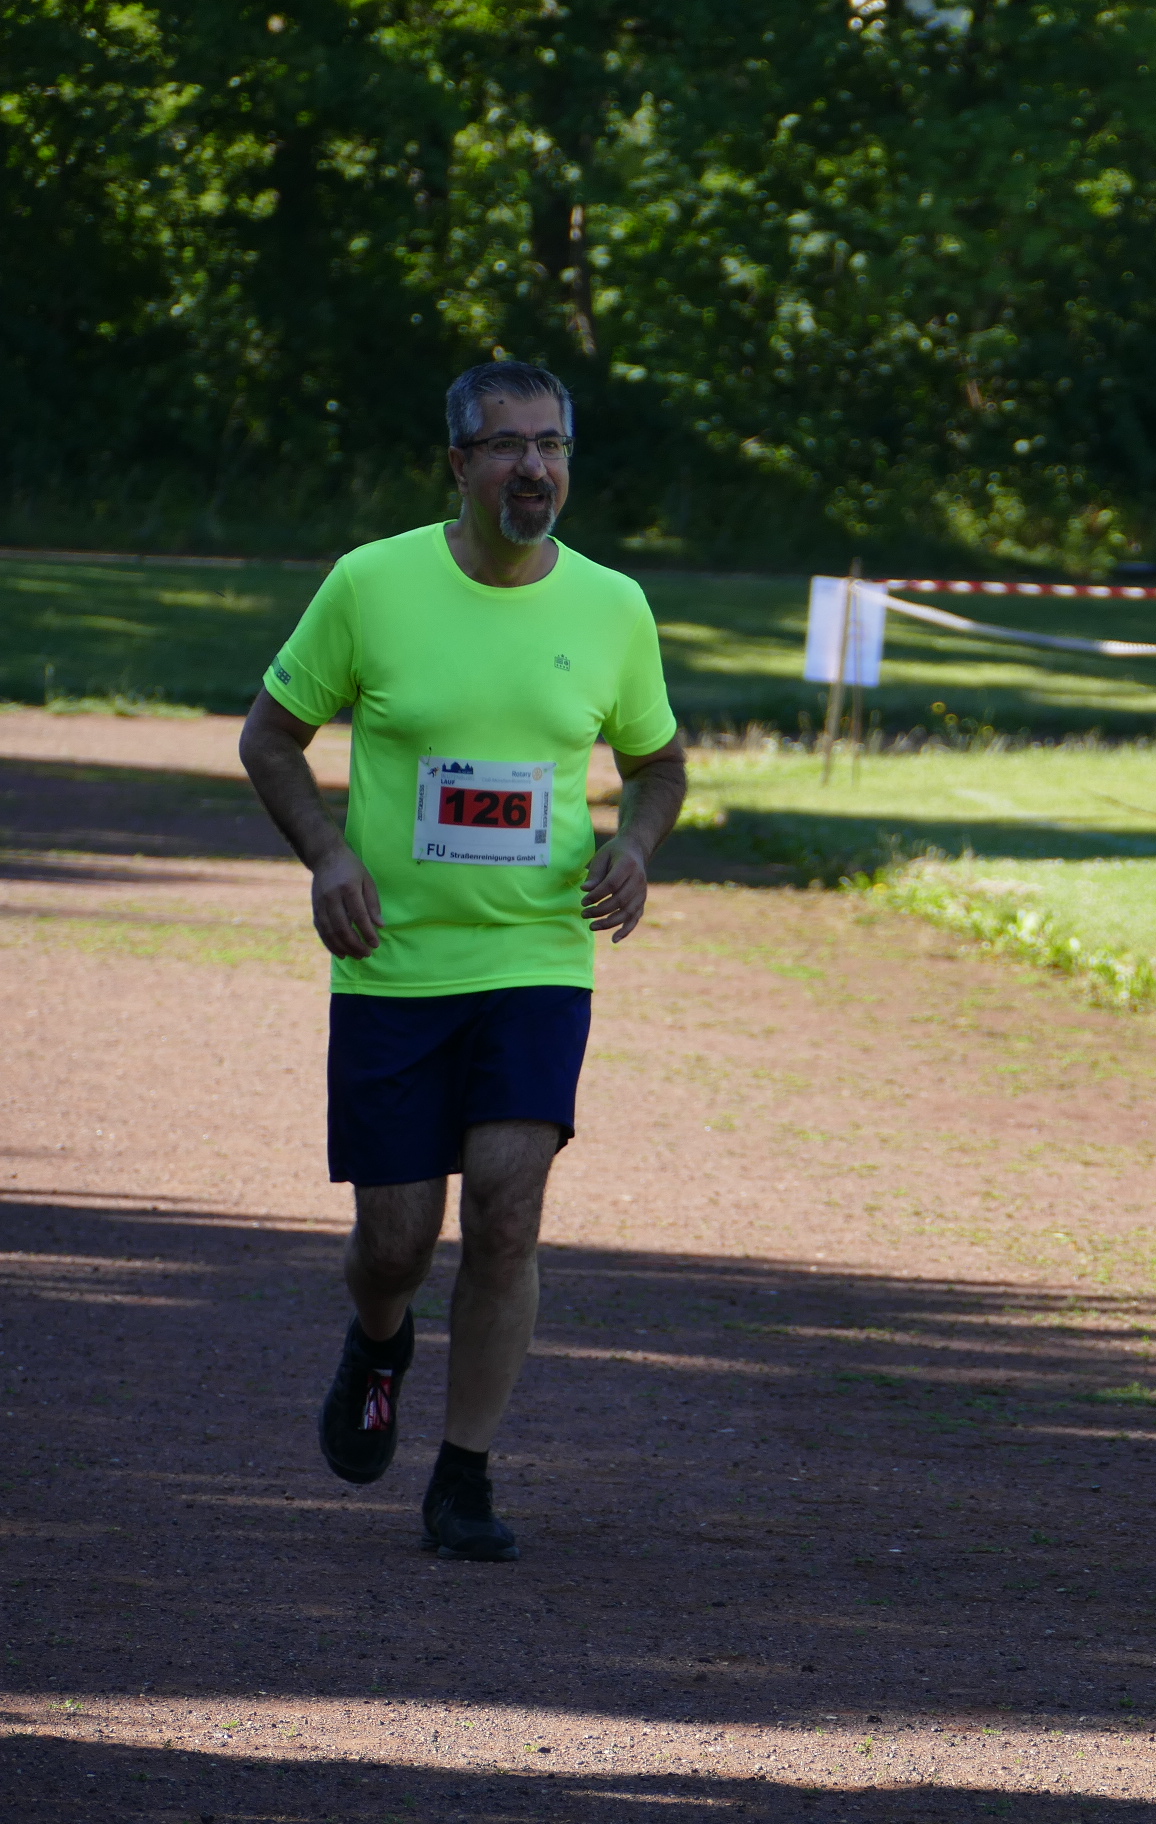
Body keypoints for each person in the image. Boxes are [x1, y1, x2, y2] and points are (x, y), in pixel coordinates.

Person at [239, 359, 688, 1562]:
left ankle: (464, 1478)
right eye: (506, 446)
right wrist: (328, 856)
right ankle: (380, 1340)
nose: (533, 467)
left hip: (538, 956)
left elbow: (657, 762)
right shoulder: (371, 584)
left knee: (505, 1210)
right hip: (393, 962)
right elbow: (270, 738)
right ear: (459, 463)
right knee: (396, 1243)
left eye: (552, 445)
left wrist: (637, 844)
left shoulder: (613, 606)